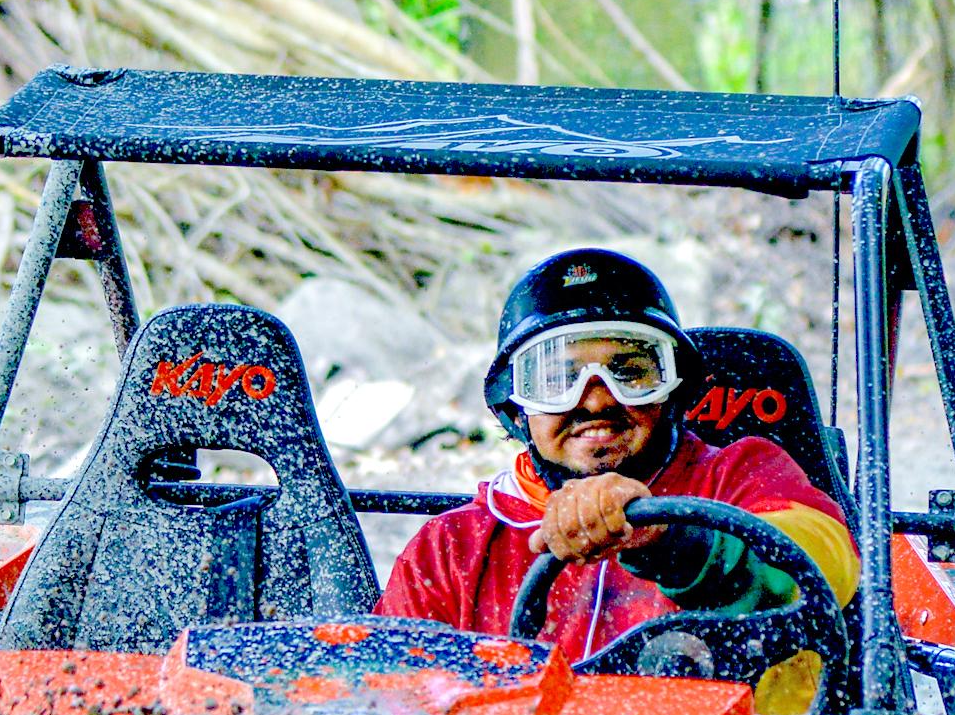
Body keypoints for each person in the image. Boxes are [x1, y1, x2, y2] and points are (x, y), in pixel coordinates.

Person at [375, 248, 894, 684]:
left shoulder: (745, 475)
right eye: (558, 379)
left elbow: (828, 567)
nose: (597, 401)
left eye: (631, 372)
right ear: (517, 407)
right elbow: (386, 698)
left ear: (674, 390)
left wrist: (676, 542)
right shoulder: (450, 551)